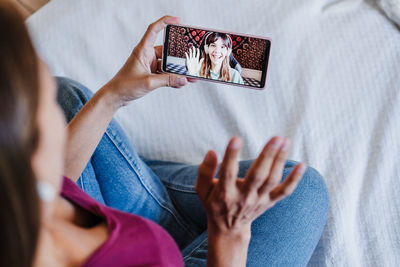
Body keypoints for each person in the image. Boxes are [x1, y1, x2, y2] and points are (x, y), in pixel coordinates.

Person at [0, 2, 330, 266]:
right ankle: (183, 219)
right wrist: (230, 234)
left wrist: (115, 94)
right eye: (45, 113)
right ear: (28, 148)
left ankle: (165, 209)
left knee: (67, 96)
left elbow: (63, 185)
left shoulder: (27, 202)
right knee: (302, 188)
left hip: (114, 219)